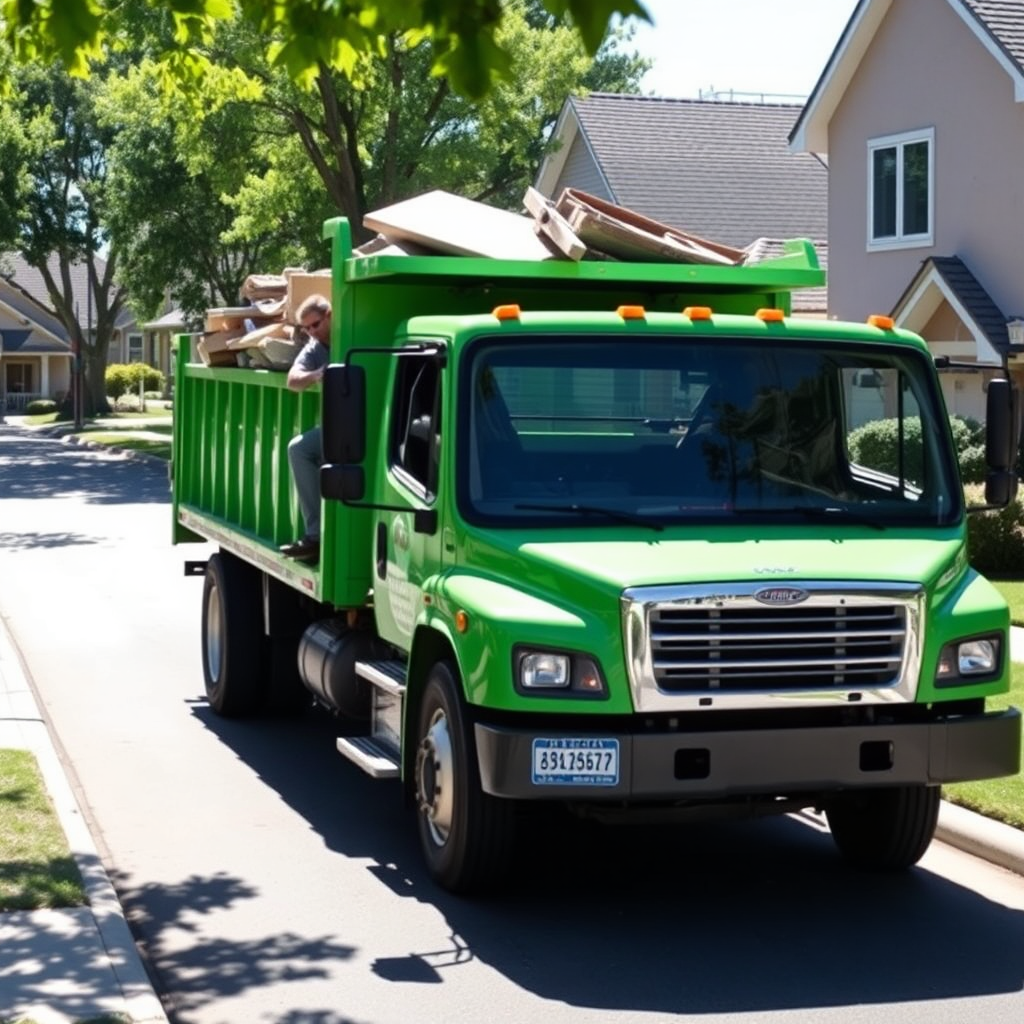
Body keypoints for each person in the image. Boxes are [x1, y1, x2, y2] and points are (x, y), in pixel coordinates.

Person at [279, 294, 332, 563]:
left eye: (316, 324)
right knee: (298, 449)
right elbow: (292, 380)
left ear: (330, 316)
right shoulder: (314, 348)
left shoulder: (354, 331)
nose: (312, 332)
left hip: (381, 425)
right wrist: (316, 374)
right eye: (306, 328)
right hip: (341, 428)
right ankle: (315, 535)